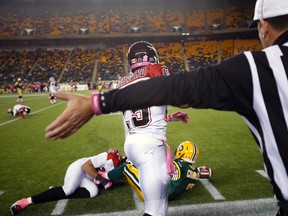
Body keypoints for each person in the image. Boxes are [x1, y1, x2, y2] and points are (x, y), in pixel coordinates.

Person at [45, 0, 288, 215]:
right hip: (151, 147)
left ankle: (109, 178)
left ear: (263, 25)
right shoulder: (157, 71)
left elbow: (152, 103)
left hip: (132, 145)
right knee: (157, 210)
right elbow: (166, 94)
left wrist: (97, 102)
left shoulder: (122, 82)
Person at [10, 147, 122, 215]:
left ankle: (55, 191)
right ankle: (26, 201)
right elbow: (86, 166)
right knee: (68, 190)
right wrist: (102, 180)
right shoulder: (106, 157)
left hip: (86, 177)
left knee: (93, 192)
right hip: (78, 168)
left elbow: (110, 177)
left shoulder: (117, 163)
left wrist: (114, 181)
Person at [98, 141, 212, 202]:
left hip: (151, 196)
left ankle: (106, 175)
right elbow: (204, 171)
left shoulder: (179, 165)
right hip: (166, 198)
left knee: (126, 167)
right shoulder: (194, 174)